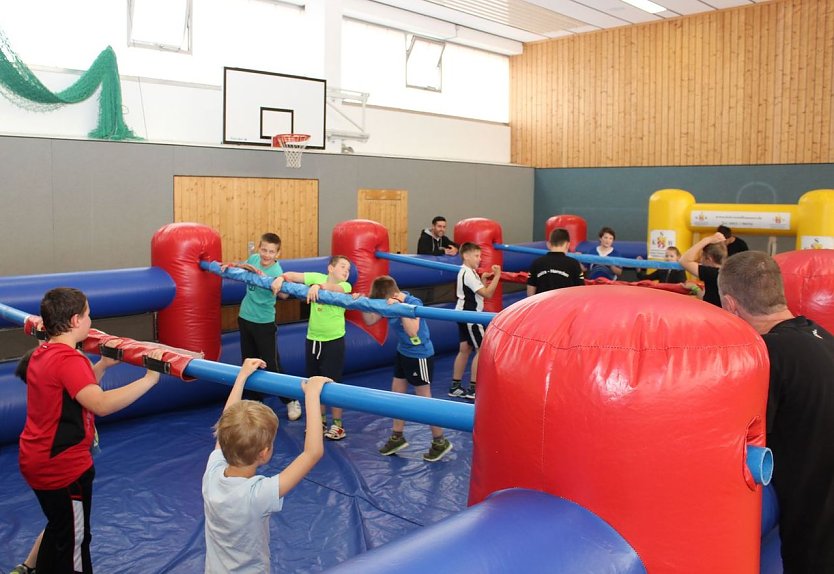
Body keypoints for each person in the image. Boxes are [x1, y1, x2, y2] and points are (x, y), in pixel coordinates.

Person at [18, 287, 164, 574]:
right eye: (88, 315)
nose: (91, 320)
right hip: (63, 469)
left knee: (60, 531)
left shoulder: (43, 353)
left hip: (37, 459)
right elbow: (100, 404)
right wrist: (150, 379)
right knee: (75, 543)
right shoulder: (69, 359)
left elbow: (72, 393)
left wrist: (102, 366)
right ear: (75, 321)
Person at [718, 252, 834, 572]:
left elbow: (739, 448)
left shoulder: (767, 356)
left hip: (817, 538)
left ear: (730, 305)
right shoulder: (823, 337)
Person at [203, 358, 329, 573]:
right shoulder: (256, 494)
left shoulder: (212, 473)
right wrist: (312, 396)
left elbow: (226, 422)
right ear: (264, 452)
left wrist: (241, 377)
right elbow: (312, 452)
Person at [361, 275, 453, 462]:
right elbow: (370, 320)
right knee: (397, 395)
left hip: (419, 355)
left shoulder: (412, 302)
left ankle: (439, 440)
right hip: (403, 352)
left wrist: (401, 307)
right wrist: (363, 302)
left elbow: (412, 331)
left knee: (424, 400)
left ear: (394, 294)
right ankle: (397, 436)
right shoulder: (387, 301)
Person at [221, 232, 301, 421]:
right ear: (259, 248)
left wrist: (280, 286)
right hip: (245, 317)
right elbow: (248, 267)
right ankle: (256, 402)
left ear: (278, 253)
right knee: (249, 362)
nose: (266, 255)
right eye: (264, 249)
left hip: (264, 322)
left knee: (271, 364)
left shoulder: (276, 271)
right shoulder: (255, 258)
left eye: (271, 252)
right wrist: (232, 266)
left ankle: (290, 400)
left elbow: (284, 296)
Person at [282, 256, 352, 440]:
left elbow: (335, 288)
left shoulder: (346, 286)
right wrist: (280, 278)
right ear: (330, 268)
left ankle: (338, 425)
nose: (346, 271)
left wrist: (318, 287)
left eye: (349, 269)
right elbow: (293, 276)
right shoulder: (316, 277)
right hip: (313, 339)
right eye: (343, 266)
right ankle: (319, 422)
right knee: (314, 383)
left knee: (333, 384)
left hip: (333, 340)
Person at [449, 242, 501, 400]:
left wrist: (483, 279)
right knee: (482, 349)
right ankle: (473, 388)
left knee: (464, 350)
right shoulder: (469, 274)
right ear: (466, 256)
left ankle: (455, 386)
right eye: (477, 256)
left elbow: (476, 293)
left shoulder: (467, 272)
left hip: (462, 314)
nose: (480, 259)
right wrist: (497, 276)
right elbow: (487, 294)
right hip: (471, 316)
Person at [526, 227, 584, 296]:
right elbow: (580, 290)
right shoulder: (573, 264)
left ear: (548, 244)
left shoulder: (537, 263)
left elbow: (530, 290)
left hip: (542, 304)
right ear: (567, 244)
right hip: (564, 305)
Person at [679, 232, 727, 307]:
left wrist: (707, 240)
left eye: (702, 257)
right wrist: (694, 288)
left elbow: (684, 260)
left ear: (709, 259)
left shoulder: (712, 273)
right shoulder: (726, 272)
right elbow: (708, 297)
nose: (701, 261)